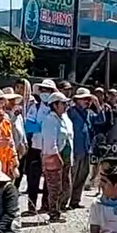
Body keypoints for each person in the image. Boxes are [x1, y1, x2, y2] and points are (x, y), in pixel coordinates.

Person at [23, 79, 57, 215]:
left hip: (50, 148)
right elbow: (29, 126)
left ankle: (46, 205)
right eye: (42, 90)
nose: (44, 93)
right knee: (33, 178)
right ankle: (31, 206)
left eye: (47, 90)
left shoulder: (56, 109)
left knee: (49, 178)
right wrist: (44, 127)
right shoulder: (35, 107)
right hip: (36, 147)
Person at [40, 91, 74, 223]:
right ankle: (53, 212)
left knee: (66, 185)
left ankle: (60, 208)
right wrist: (56, 156)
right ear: (55, 105)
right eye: (63, 103)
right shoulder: (49, 120)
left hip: (65, 156)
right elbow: (50, 141)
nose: (65, 106)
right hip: (54, 156)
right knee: (55, 187)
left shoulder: (65, 119)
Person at [67, 88, 97, 208]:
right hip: (75, 148)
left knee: (83, 175)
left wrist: (97, 105)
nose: (87, 101)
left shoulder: (89, 113)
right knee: (72, 176)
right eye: (85, 99)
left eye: (88, 99)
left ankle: (75, 201)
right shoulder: (71, 112)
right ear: (77, 100)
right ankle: (64, 201)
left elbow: (101, 120)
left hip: (86, 148)